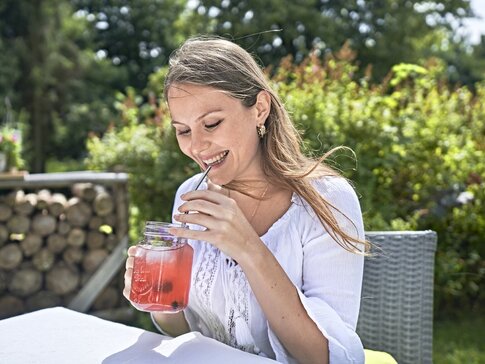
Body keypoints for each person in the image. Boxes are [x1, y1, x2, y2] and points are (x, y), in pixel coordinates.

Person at [123, 36, 370, 364]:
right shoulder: (189, 194)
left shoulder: (328, 200)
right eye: (183, 131)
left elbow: (327, 359)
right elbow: (186, 334)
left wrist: (248, 248)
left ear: (260, 109)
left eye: (212, 123)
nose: (197, 146)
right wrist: (160, 299)